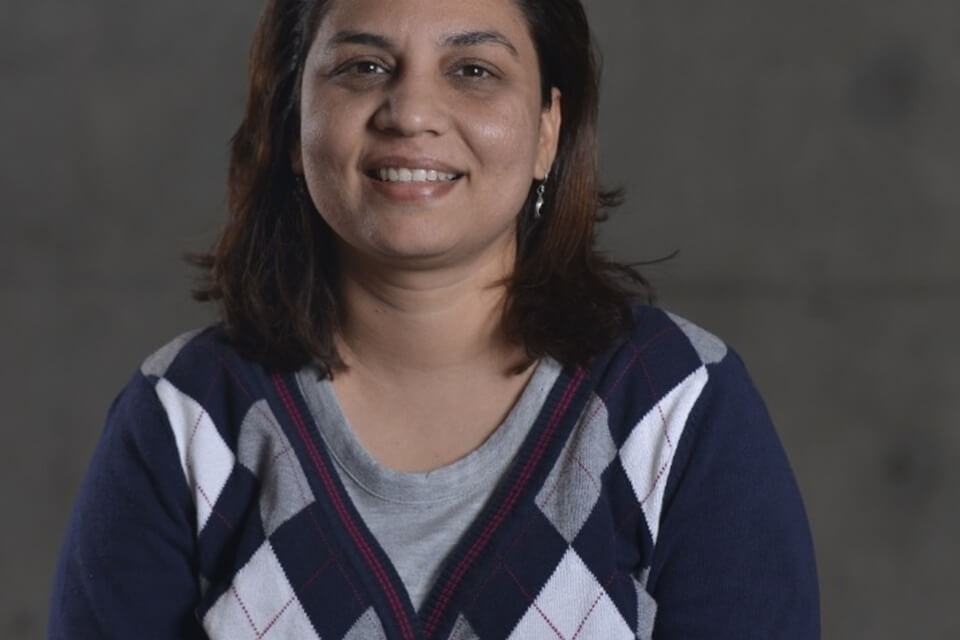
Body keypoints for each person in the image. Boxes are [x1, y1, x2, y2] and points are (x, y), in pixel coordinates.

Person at [50, 0, 820, 637]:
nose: (412, 112)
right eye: (363, 66)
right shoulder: (186, 419)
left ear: (548, 130)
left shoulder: (675, 404)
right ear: (293, 124)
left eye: (473, 70)